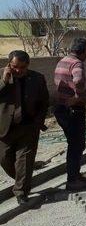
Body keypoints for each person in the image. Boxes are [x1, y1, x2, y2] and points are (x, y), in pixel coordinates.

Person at [0, 50, 49, 205]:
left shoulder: (37, 79)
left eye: (23, 67)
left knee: (25, 160)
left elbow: (44, 102)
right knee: (4, 158)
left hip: (28, 127)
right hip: (4, 128)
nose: (18, 71)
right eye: (15, 67)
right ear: (9, 64)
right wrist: (4, 82)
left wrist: (38, 122)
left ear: (28, 65)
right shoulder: (1, 76)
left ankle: (21, 192)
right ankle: (22, 179)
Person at [53, 37, 86, 191]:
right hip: (72, 110)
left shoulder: (62, 61)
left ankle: (75, 174)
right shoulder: (77, 63)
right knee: (76, 144)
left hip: (61, 108)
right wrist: (77, 97)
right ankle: (72, 179)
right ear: (82, 51)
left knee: (74, 143)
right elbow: (79, 80)